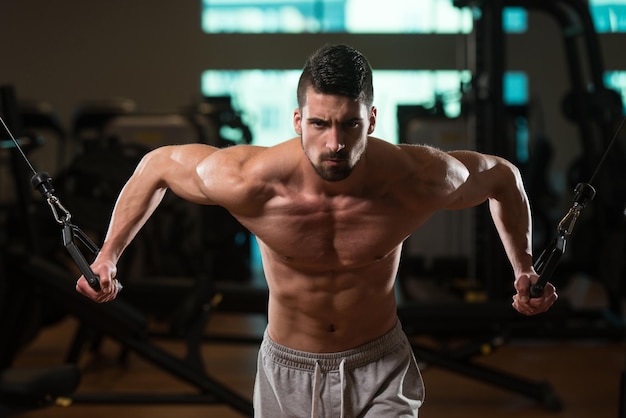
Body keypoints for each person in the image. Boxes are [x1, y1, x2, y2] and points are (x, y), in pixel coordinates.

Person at [76, 44, 558, 417]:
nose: (335, 143)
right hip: (288, 370)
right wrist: (107, 257)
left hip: (381, 364)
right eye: (320, 124)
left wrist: (523, 268)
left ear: (371, 120)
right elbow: (156, 166)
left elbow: (502, 178)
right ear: (297, 120)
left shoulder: (415, 178)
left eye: (350, 125)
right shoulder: (249, 181)